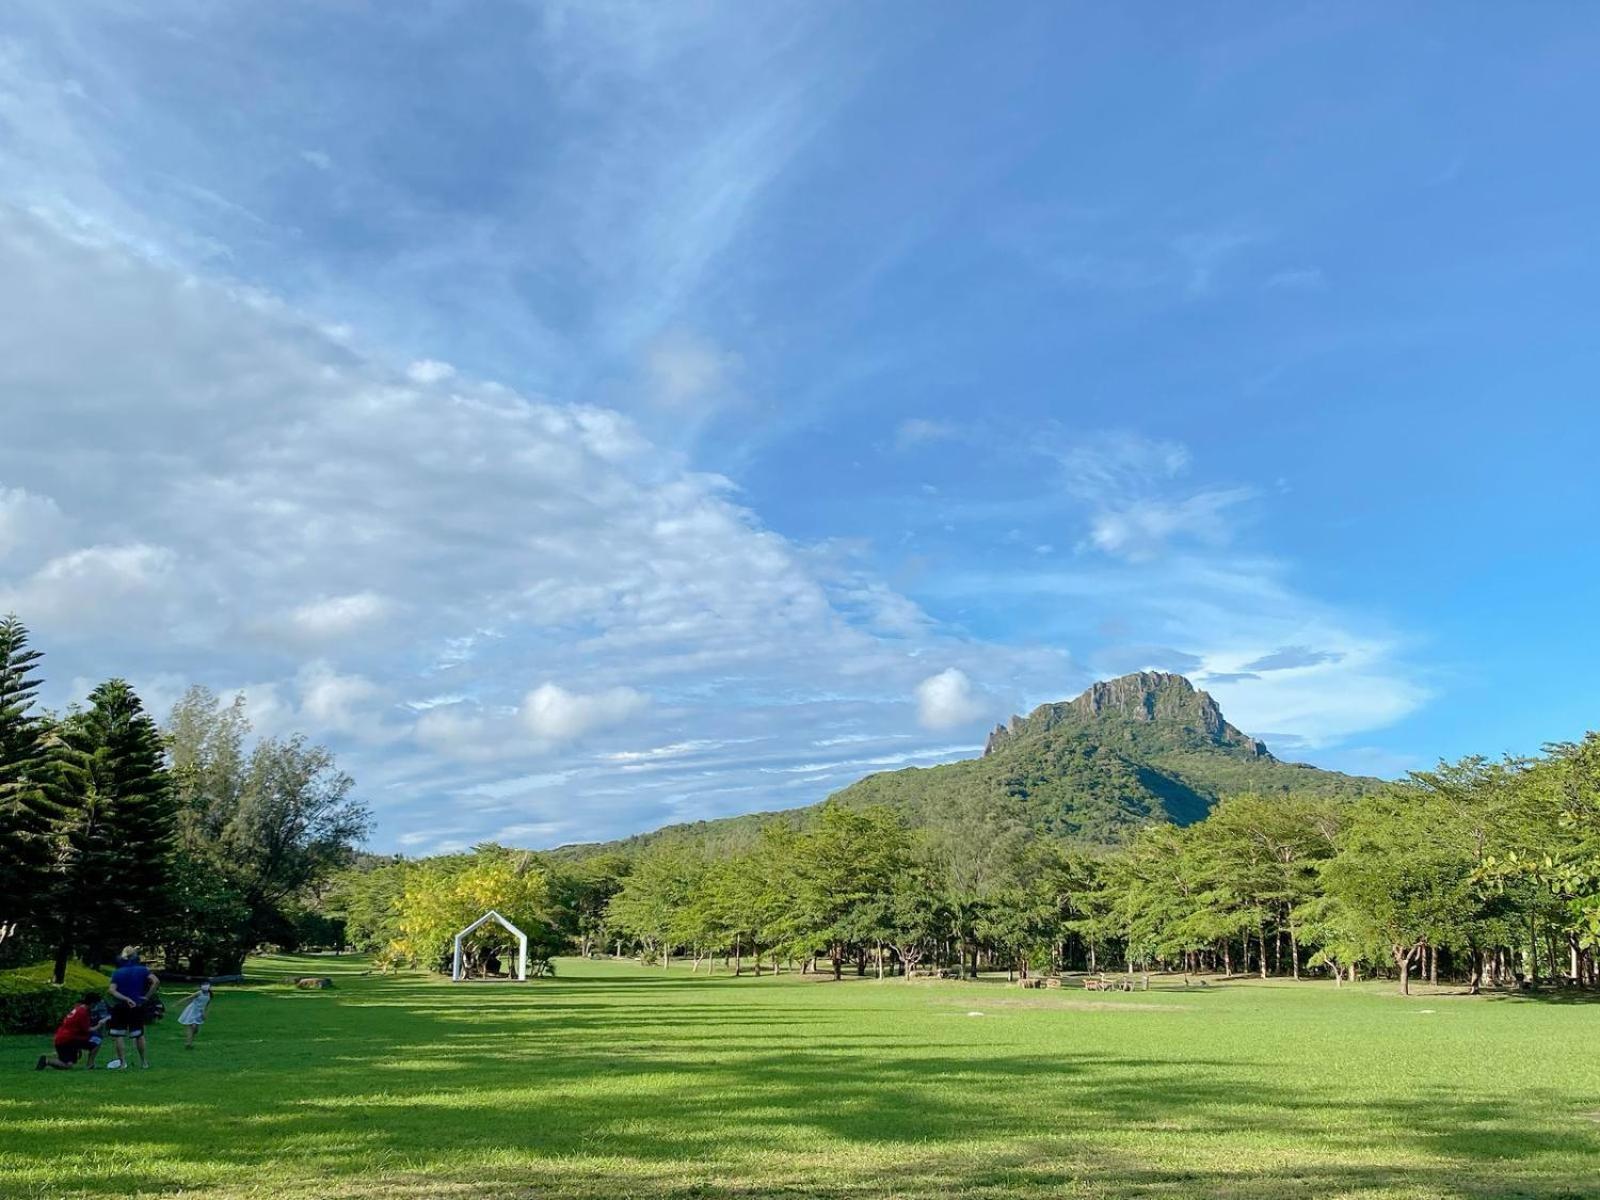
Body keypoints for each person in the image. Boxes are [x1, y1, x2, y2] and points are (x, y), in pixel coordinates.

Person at [105, 950, 159, 1070]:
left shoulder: (117, 972)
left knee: (118, 1035)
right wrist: (147, 996)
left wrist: (125, 998)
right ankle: (144, 1062)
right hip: (137, 1004)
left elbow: (112, 990)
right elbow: (155, 981)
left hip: (120, 1005)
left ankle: (122, 1063)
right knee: (139, 1034)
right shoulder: (143, 970)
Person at [35, 991, 107, 1071]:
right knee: (97, 1040)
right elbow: (87, 1030)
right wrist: (99, 1025)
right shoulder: (82, 1012)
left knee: (68, 1065)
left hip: (62, 1039)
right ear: (93, 1003)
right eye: (96, 1004)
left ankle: (46, 1061)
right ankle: (90, 1065)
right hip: (68, 1040)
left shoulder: (79, 1008)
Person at [177, 982, 214, 1048]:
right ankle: (188, 1044)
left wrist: (205, 1014)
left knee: (196, 1029)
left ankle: (190, 1041)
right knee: (192, 1027)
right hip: (192, 1011)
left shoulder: (209, 995)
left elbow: (207, 1005)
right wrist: (179, 1002)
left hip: (199, 1012)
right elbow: (189, 998)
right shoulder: (199, 993)